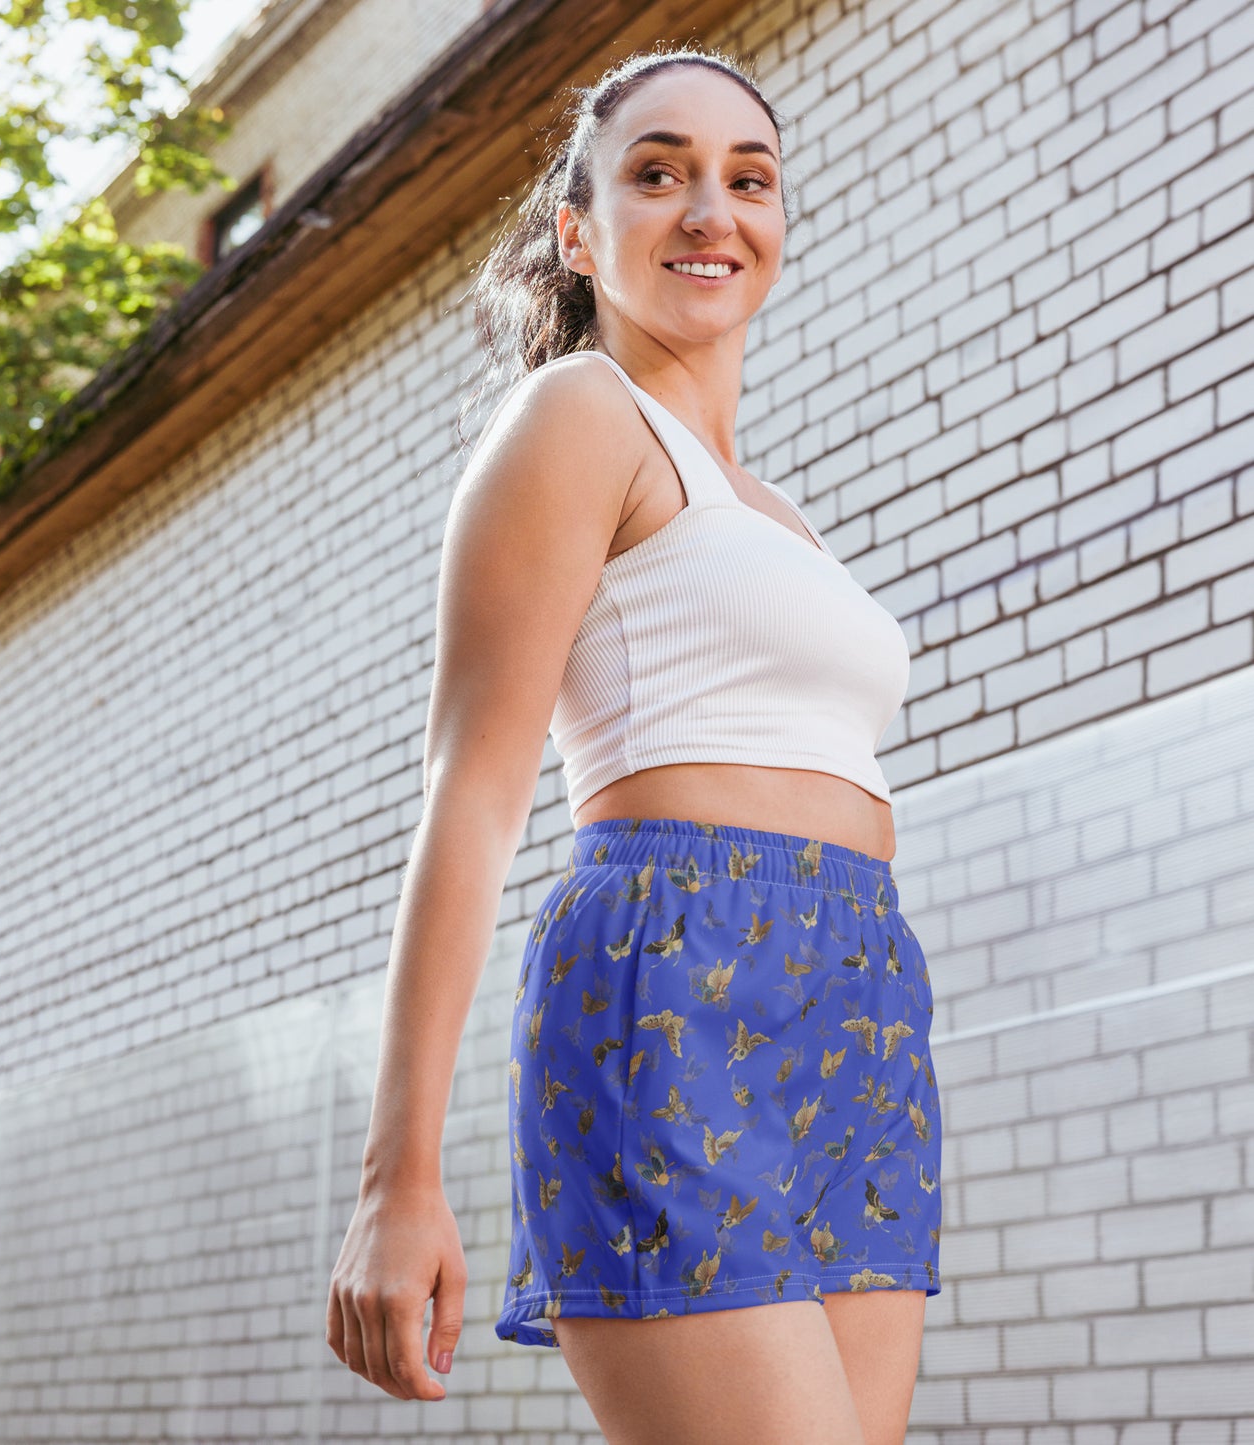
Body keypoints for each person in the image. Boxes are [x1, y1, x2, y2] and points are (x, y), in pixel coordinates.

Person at [326, 44, 942, 1445]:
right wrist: (396, 1176)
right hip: (672, 969)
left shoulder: (777, 509)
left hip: (856, 997)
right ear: (576, 230)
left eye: (748, 179)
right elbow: (470, 795)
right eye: (657, 173)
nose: (709, 210)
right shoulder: (575, 417)